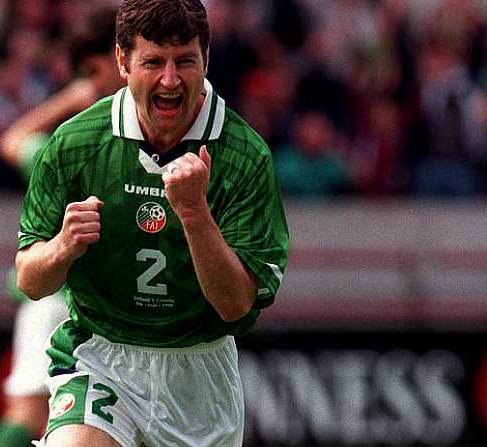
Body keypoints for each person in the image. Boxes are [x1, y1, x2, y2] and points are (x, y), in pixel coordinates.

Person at [16, 1, 290, 445]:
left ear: (206, 57)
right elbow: (30, 279)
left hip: (198, 375)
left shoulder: (243, 155)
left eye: (185, 61)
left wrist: (195, 213)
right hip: (100, 354)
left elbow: (235, 305)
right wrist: (62, 246)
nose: (170, 79)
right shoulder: (77, 142)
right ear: (122, 61)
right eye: (153, 62)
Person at [0, 7, 123, 447]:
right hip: (64, 294)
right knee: (32, 409)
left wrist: (69, 98)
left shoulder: (78, 136)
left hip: (78, 297)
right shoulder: (78, 144)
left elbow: (10, 141)